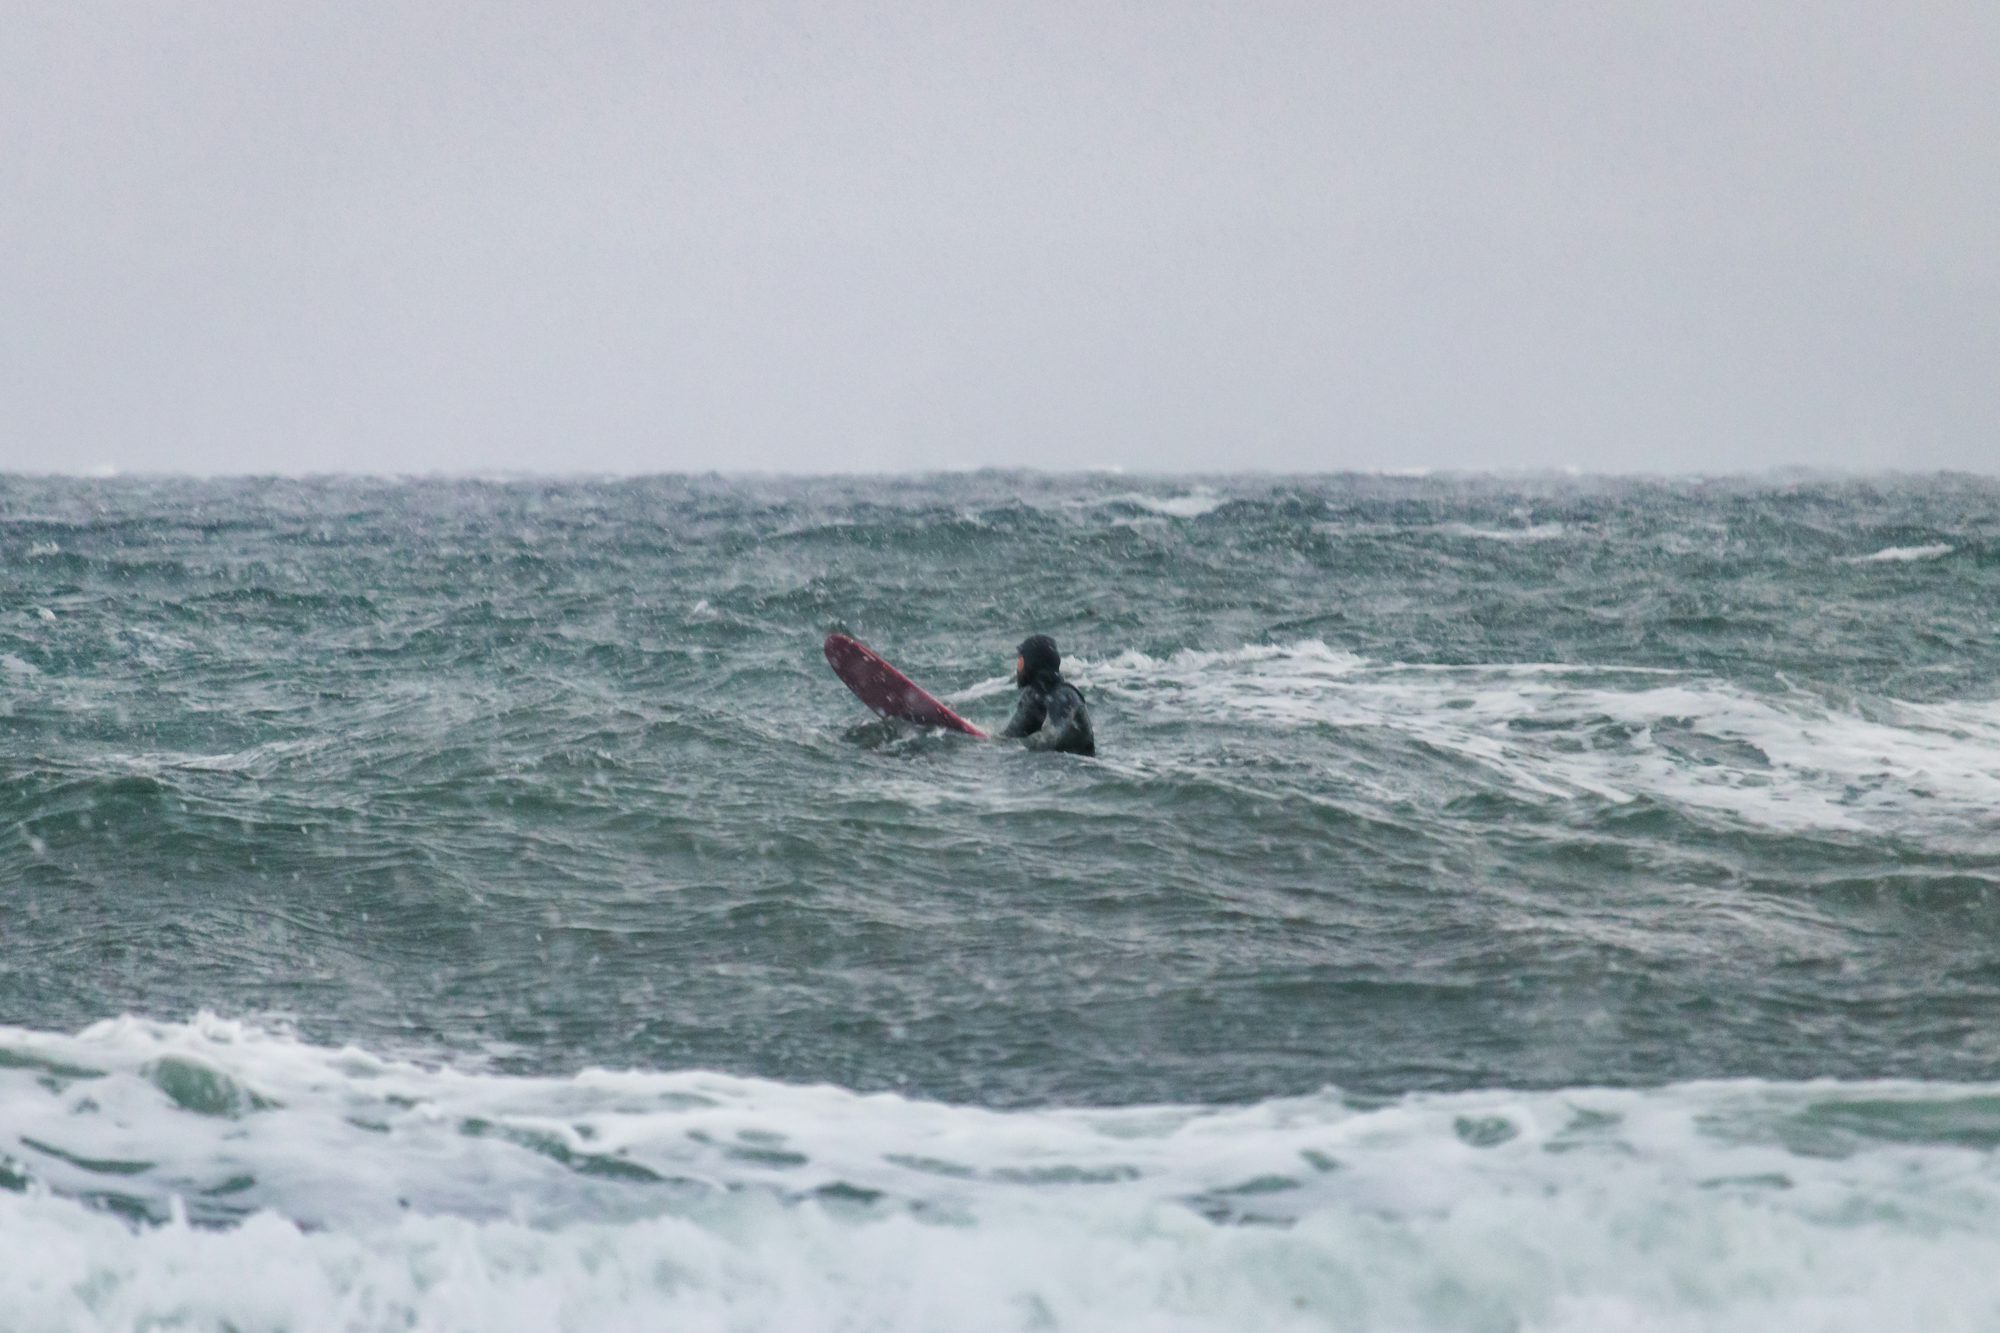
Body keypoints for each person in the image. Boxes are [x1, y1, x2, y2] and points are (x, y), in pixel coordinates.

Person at [1001, 635, 1095, 755]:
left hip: (1078, 764)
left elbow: (1052, 737)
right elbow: (1009, 738)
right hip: (1048, 763)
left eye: (1020, 660)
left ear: (1031, 663)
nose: (1017, 668)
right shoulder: (1034, 697)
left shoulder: (1065, 696)